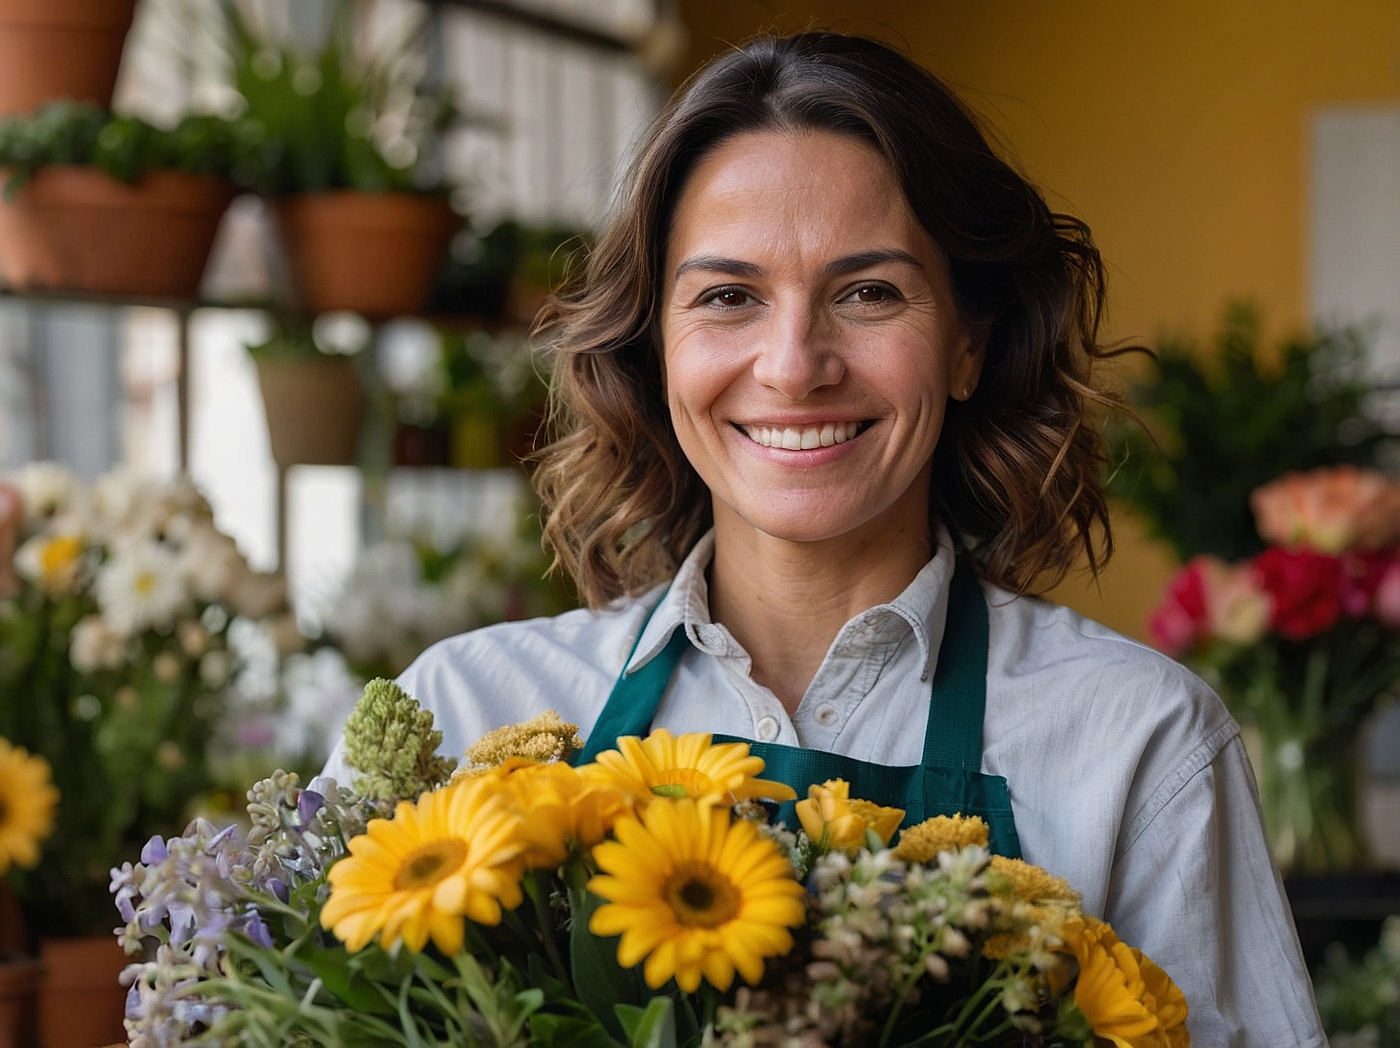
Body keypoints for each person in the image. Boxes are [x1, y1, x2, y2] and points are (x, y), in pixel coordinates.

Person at [323, 31, 1323, 1045]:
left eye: (868, 293)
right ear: (655, 342)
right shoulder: (461, 715)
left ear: (967, 342)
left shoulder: (1138, 748)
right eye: (727, 297)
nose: (794, 365)